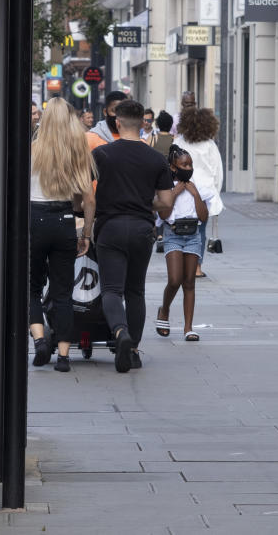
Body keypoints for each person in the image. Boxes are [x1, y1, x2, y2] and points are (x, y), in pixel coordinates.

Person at [92, 99, 175, 373]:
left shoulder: (102, 154)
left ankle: (120, 332)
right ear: (143, 124)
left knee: (112, 290)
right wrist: (143, 202)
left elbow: (85, 194)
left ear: (117, 123)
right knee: (135, 290)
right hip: (141, 229)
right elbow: (166, 204)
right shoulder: (156, 159)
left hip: (110, 227)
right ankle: (135, 349)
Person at [28, 98, 96, 373]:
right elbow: (89, 200)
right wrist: (87, 235)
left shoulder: (31, 148)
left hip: (34, 218)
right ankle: (65, 357)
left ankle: (40, 340)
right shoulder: (77, 150)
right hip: (65, 219)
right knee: (63, 291)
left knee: (31, 287)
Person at [154, 144, 215, 342]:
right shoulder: (167, 186)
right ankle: (164, 310)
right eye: (183, 165)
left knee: (189, 282)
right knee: (174, 279)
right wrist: (175, 193)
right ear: (173, 167)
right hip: (173, 235)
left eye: (190, 165)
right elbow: (163, 214)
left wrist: (195, 194)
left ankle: (188, 328)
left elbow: (204, 217)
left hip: (193, 236)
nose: (188, 168)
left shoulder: (197, 185)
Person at [175, 107, 224, 275]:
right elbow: (217, 171)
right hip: (203, 192)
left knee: (179, 227)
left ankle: (180, 261)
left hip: (182, 189)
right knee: (200, 230)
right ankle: (196, 266)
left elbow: (170, 165)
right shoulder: (210, 145)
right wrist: (215, 193)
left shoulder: (179, 142)